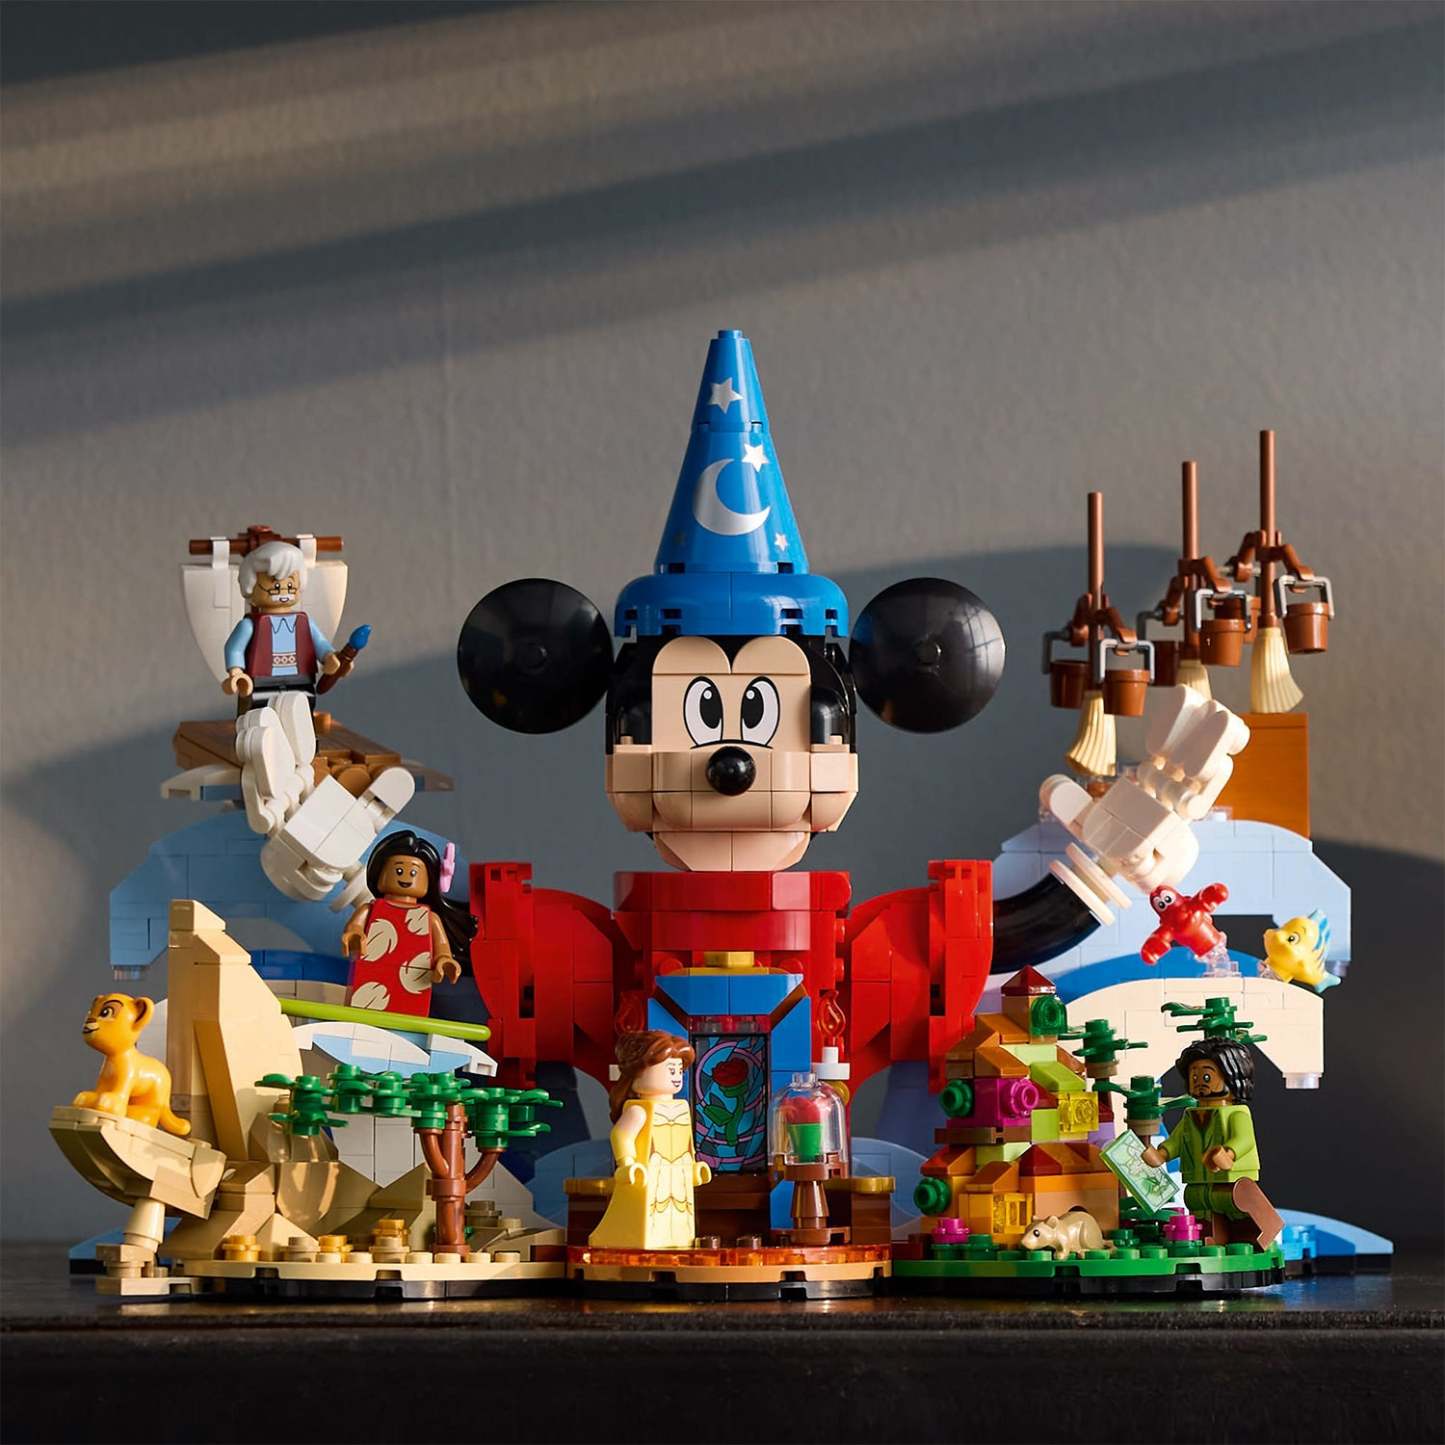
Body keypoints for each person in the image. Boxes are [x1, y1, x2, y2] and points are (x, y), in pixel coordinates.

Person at [1141, 1037, 1282, 1247]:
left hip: (1231, 1177)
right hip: (1198, 1178)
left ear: (1233, 1077)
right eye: (1194, 1076)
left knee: (1232, 1199)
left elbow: (1244, 1139)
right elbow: (1178, 1140)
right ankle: (1211, 1235)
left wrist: (1229, 1153)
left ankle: (1260, 1231)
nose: (1198, 1081)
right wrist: (1162, 1154)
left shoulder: (1237, 1113)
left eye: (1206, 1076)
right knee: (1197, 1200)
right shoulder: (1191, 1115)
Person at [589, 1031, 712, 1250]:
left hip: (676, 1178)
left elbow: (685, 1143)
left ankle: (675, 1241)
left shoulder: (680, 1108)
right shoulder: (639, 1111)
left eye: (679, 1070)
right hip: (646, 1176)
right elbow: (621, 1135)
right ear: (638, 1072)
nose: (677, 1076)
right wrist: (627, 1164)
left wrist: (694, 1167)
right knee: (646, 1212)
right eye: (670, 1069)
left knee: (678, 1212)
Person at [341, 832, 476, 1018]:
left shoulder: (430, 919)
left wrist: (444, 960)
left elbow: (442, 947)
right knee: (362, 1015)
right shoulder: (370, 909)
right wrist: (354, 935)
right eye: (398, 870)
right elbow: (354, 927)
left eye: (413, 872)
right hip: (370, 975)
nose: (406, 877)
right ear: (379, 873)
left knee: (406, 1015)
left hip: (414, 981)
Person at [222, 539, 341, 711]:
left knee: (301, 710)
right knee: (260, 712)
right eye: (275, 586)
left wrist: (329, 657)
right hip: (262, 681)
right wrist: (237, 672)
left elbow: (320, 643)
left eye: (290, 585)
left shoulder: (304, 623)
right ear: (251, 586)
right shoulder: (250, 625)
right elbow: (234, 648)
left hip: (301, 679)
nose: (284, 592)